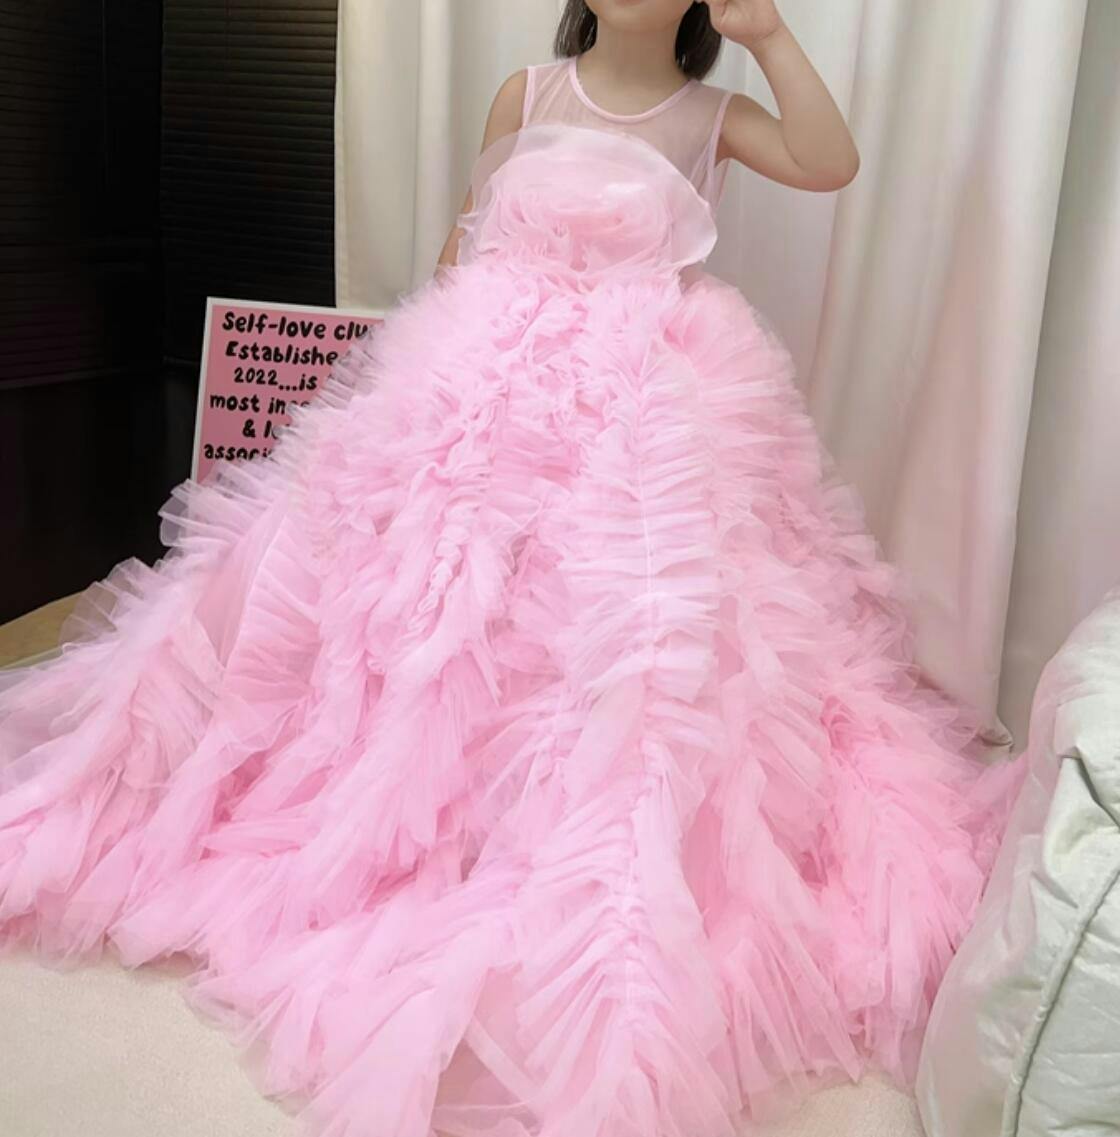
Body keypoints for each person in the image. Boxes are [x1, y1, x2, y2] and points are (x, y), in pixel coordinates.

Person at [0, 3, 1021, 1135]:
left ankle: (552, 844)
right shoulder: (528, 94)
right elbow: (466, 240)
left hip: (635, 404)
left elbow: (830, 163)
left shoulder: (711, 115)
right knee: (420, 607)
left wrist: (770, 36)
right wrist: (409, 382)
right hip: (484, 381)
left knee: (624, 637)